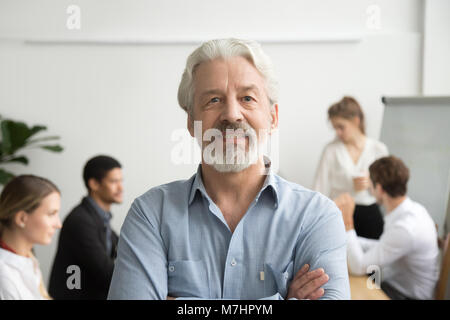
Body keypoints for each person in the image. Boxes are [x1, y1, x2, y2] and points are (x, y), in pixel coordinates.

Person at [108, 38, 350, 300]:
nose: (232, 114)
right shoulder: (150, 215)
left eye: (247, 98)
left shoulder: (316, 217)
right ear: (191, 122)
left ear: (273, 117)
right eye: (213, 100)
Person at [338, 156, 439, 300]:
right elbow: (383, 246)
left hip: (406, 295)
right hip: (396, 285)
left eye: (370, 185)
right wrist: (344, 237)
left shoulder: (404, 228)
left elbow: (358, 267)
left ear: (379, 188)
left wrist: (347, 222)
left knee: (349, 285)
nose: (369, 189)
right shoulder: (413, 211)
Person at [313, 96, 389, 239]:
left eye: (341, 127)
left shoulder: (378, 149)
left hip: (371, 217)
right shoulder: (331, 150)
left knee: (372, 261)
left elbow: (388, 193)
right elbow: (319, 190)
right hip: (339, 216)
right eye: (335, 128)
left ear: (356, 121)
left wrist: (370, 183)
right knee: (342, 260)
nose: (338, 133)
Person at [49, 155, 123, 299]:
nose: (121, 187)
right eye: (114, 181)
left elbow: (126, 249)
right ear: (94, 184)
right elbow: (106, 273)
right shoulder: (80, 221)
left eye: (121, 181)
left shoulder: (100, 218)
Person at [0, 175, 62, 300]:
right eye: (51, 214)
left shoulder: (28, 260)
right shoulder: (4, 277)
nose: (58, 224)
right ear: (22, 218)